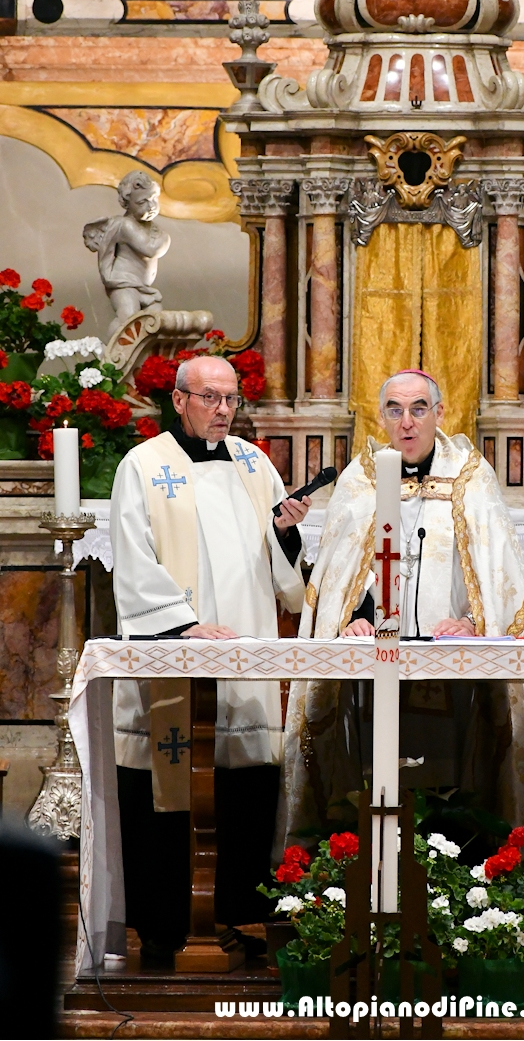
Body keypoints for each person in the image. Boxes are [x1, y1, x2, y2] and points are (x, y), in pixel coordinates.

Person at [280, 369, 524, 866]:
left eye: (419, 409)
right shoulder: (359, 480)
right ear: (382, 418)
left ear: (439, 414)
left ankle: (457, 872)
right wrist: (354, 615)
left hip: (450, 668)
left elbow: (493, 570)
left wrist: (476, 623)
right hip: (374, 670)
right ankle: (364, 867)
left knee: (449, 777)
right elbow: (341, 570)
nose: (407, 422)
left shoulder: (471, 477)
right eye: (395, 410)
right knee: (376, 772)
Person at [110, 354, 310, 961]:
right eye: (210, 397)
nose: (223, 409)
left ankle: (241, 920)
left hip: (245, 656)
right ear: (179, 400)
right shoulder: (142, 466)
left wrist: (285, 532)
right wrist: (184, 626)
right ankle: (164, 928)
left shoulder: (254, 463)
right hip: (175, 659)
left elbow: (285, 578)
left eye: (230, 398)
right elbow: (134, 558)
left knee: (245, 789)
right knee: (167, 790)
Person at [83, 171, 172, 339]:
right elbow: (150, 249)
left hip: (143, 287)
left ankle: (144, 361)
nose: (151, 206)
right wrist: (166, 238)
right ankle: (109, 356)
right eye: (143, 202)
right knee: (127, 317)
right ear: (127, 203)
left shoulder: (151, 228)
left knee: (156, 320)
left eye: (154, 198)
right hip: (123, 283)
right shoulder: (125, 225)